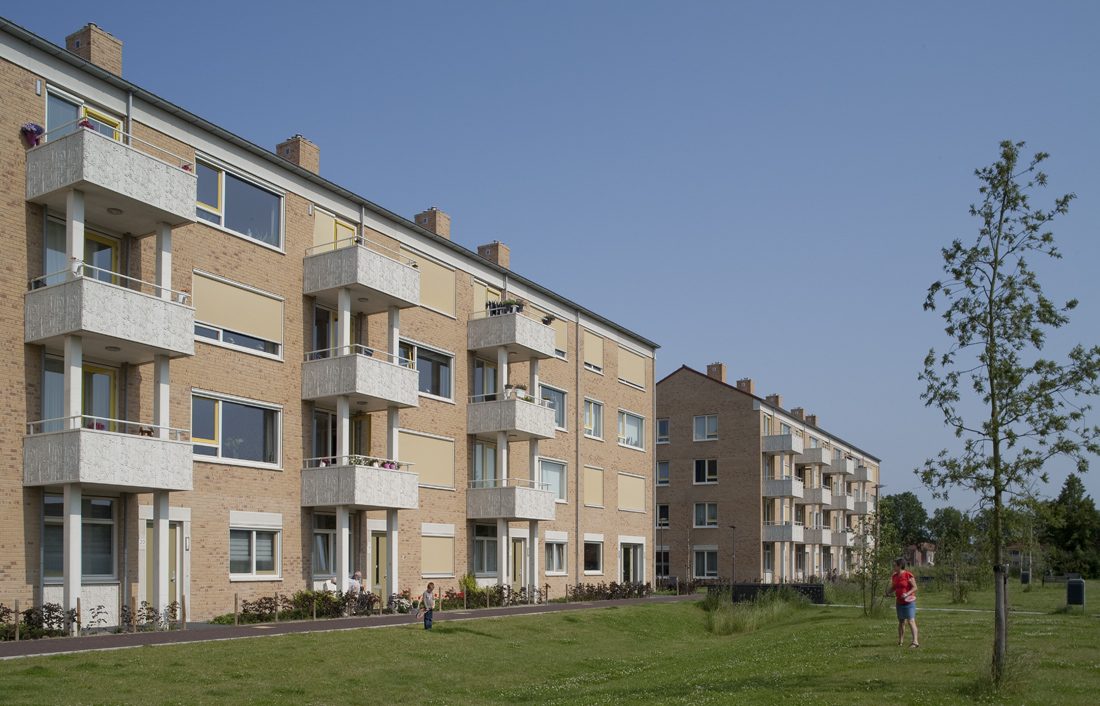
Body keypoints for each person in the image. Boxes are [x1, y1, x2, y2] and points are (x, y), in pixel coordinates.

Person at [886, 557, 919, 647]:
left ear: (900, 565)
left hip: (909, 602)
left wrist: (907, 594)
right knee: (901, 622)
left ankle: (915, 642)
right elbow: (894, 587)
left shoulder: (908, 575)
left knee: (911, 621)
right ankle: (900, 641)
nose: (893, 567)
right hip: (899, 602)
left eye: (894, 565)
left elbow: (915, 587)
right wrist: (888, 592)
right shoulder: (894, 576)